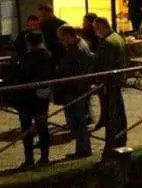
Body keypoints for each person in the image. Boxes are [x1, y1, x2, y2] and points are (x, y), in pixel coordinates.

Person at [86, 13, 130, 155]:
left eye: (97, 28)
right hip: (118, 80)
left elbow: (105, 65)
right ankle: (120, 138)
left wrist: (98, 79)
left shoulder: (107, 43)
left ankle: (113, 143)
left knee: (113, 113)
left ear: (103, 26)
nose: (96, 32)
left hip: (110, 82)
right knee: (118, 112)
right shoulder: (118, 38)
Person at [11, 29, 55, 167]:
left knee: (26, 128)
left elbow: (19, 78)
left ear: (28, 43)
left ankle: (29, 159)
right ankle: (44, 157)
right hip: (42, 97)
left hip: (26, 99)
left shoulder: (25, 59)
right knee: (43, 127)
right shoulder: (48, 56)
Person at [54, 23, 95, 159]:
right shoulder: (78, 45)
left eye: (60, 37)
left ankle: (83, 150)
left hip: (77, 90)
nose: (59, 41)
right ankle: (82, 149)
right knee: (78, 121)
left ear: (67, 36)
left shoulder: (77, 49)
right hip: (78, 89)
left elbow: (77, 71)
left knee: (79, 121)